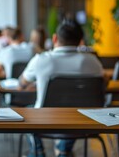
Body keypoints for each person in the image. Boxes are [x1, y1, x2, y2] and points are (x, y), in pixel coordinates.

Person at [20, 20, 103, 157]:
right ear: (80, 41)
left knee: (27, 110)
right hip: (85, 123)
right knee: (74, 111)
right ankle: (64, 150)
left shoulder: (41, 59)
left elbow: (22, 83)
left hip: (45, 121)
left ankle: (38, 152)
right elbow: (101, 83)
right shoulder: (93, 62)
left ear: (54, 38)